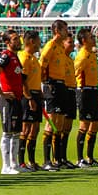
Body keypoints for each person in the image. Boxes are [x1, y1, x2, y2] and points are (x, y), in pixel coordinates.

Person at [39, 19, 76, 170]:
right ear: (57, 31)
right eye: (64, 29)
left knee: (59, 124)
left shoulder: (60, 47)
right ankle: (47, 161)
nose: (66, 32)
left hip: (62, 85)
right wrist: (46, 84)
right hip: (52, 85)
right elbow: (42, 65)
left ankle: (58, 159)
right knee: (52, 123)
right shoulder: (50, 46)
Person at [0, 29, 24, 175]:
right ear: (7, 42)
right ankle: (5, 166)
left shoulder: (15, 57)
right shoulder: (6, 56)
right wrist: (2, 93)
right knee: (8, 133)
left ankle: (14, 164)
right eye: (15, 39)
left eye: (18, 38)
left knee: (16, 133)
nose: (18, 41)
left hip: (17, 98)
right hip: (7, 100)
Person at [73, 28, 98, 167]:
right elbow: (75, 71)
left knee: (95, 124)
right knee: (84, 124)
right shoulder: (82, 55)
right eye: (90, 37)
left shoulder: (92, 54)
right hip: (85, 91)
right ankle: (79, 158)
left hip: (94, 90)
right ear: (84, 41)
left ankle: (90, 156)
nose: (93, 38)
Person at [17, 30, 43, 171]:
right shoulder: (24, 58)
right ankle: (21, 162)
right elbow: (22, 81)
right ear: (32, 41)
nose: (40, 43)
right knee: (25, 129)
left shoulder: (33, 58)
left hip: (36, 94)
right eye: (38, 40)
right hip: (28, 96)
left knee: (35, 128)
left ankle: (32, 161)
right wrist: (29, 98)